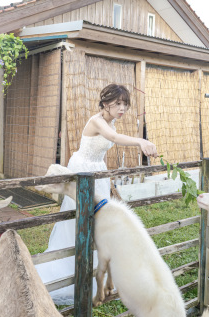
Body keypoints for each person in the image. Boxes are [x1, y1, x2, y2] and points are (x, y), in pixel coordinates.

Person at [36, 83, 157, 305]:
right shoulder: (97, 122)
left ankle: (95, 270)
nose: (122, 108)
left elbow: (108, 141)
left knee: (98, 221)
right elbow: (114, 138)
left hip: (98, 171)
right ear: (105, 103)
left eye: (125, 104)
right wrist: (140, 140)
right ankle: (71, 268)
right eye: (117, 103)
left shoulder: (110, 122)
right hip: (83, 171)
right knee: (79, 220)